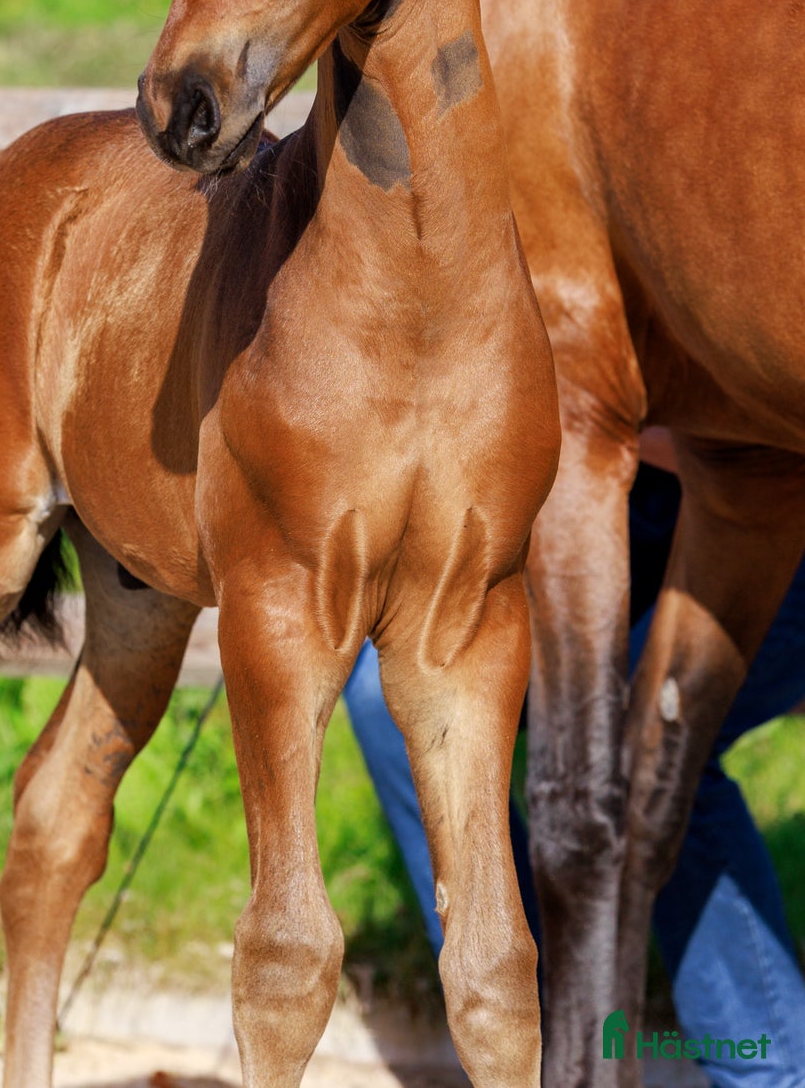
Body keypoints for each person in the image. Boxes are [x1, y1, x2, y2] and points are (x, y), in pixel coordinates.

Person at [344, 437, 805, 1086]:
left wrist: (601, 416)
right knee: (387, 692)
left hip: (769, 527)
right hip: (606, 539)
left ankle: (772, 1066)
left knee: (653, 739)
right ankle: (530, 1043)